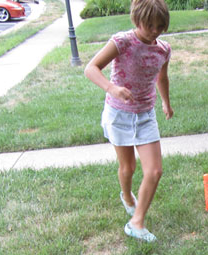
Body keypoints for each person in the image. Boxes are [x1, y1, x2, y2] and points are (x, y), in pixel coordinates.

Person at [84, 0, 173, 242]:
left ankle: (136, 222)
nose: (154, 31)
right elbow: (91, 68)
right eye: (149, 26)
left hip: (145, 114)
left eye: (159, 26)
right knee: (128, 168)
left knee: (154, 171)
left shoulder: (163, 49)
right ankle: (126, 196)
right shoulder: (122, 41)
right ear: (137, 20)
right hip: (119, 114)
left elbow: (161, 77)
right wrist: (111, 88)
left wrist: (165, 102)